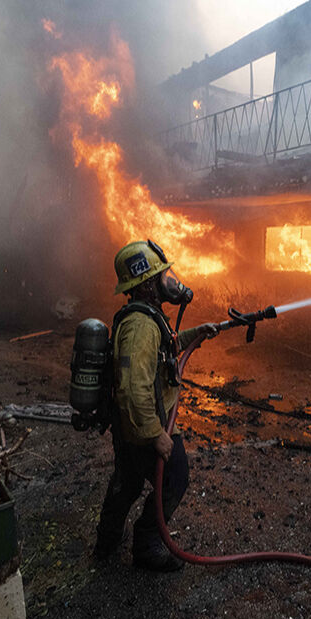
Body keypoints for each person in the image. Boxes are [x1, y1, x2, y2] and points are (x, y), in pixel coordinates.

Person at [93, 240, 219, 571]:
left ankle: (107, 539)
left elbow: (167, 347)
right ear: (147, 283)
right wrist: (156, 435)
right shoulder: (140, 327)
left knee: (129, 481)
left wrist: (196, 334)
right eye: (163, 275)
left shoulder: (147, 318)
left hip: (131, 425)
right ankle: (147, 543)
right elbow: (133, 390)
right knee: (175, 477)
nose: (171, 281)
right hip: (145, 425)